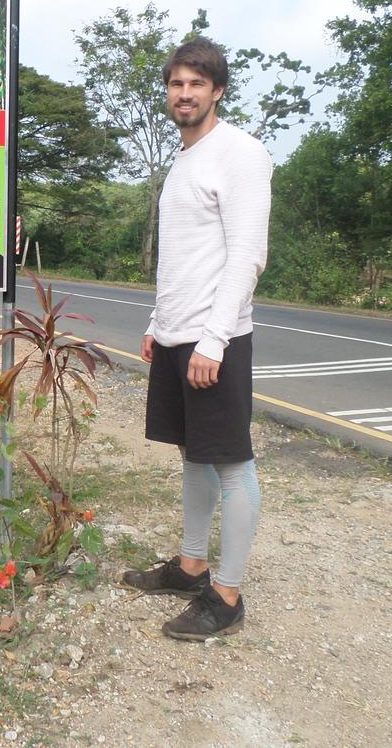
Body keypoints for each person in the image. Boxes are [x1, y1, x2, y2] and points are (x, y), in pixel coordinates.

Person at [122, 37, 271, 641]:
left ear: (217, 91)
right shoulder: (185, 159)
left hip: (218, 338)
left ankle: (227, 596)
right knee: (193, 453)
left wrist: (212, 340)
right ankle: (190, 566)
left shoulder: (240, 153)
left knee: (232, 464)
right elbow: (184, 258)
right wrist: (162, 324)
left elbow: (246, 257)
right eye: (176, 84)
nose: (185, 94)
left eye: (196, 84)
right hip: (180, 334)